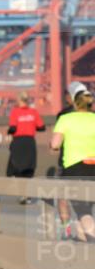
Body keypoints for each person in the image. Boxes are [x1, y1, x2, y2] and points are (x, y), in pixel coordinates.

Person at [51, 82, 95, 241]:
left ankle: (90, 240)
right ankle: (86, 248)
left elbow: (55, 144)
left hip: (74, 168)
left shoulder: (65, 118)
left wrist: (55, 145)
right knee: (86, 208)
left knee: (81, 209)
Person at [6, 92, 45, 204]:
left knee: (18, 169)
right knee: (29, 170)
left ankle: (22, 194)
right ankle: (27, 195)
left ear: (19, 100)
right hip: (30, 142)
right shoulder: (34, 112)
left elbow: (13, 128)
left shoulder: (15, 112)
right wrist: (30, 126)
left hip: (18, 142)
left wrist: (9, 132)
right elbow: (42, 127)